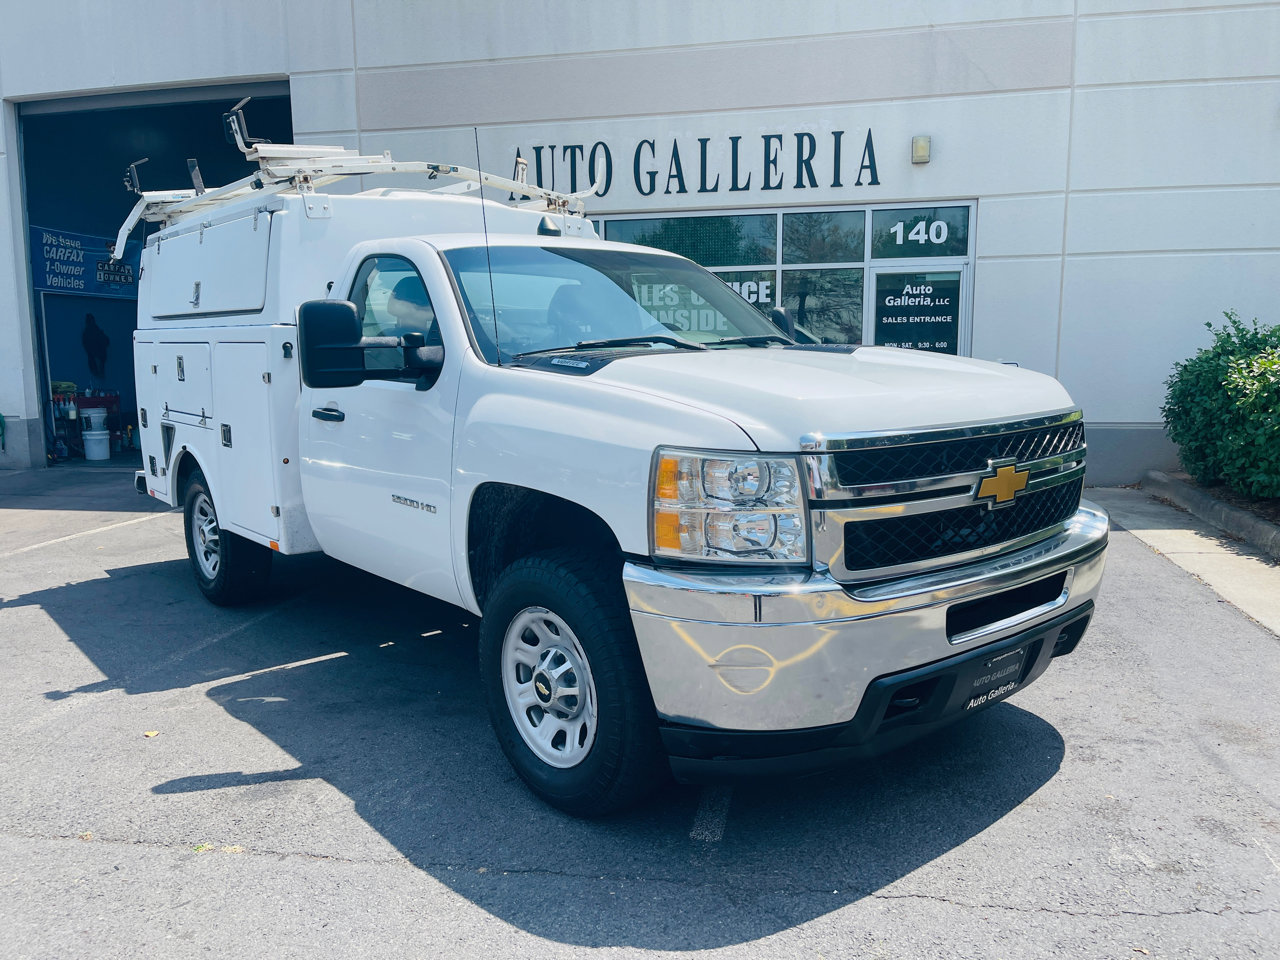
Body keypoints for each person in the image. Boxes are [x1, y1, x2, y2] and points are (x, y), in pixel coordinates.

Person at [81, 313, 109, 384]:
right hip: (93, 358)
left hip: (99, 357)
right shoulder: (87, 333)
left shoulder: (98, 332)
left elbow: (107, 341)